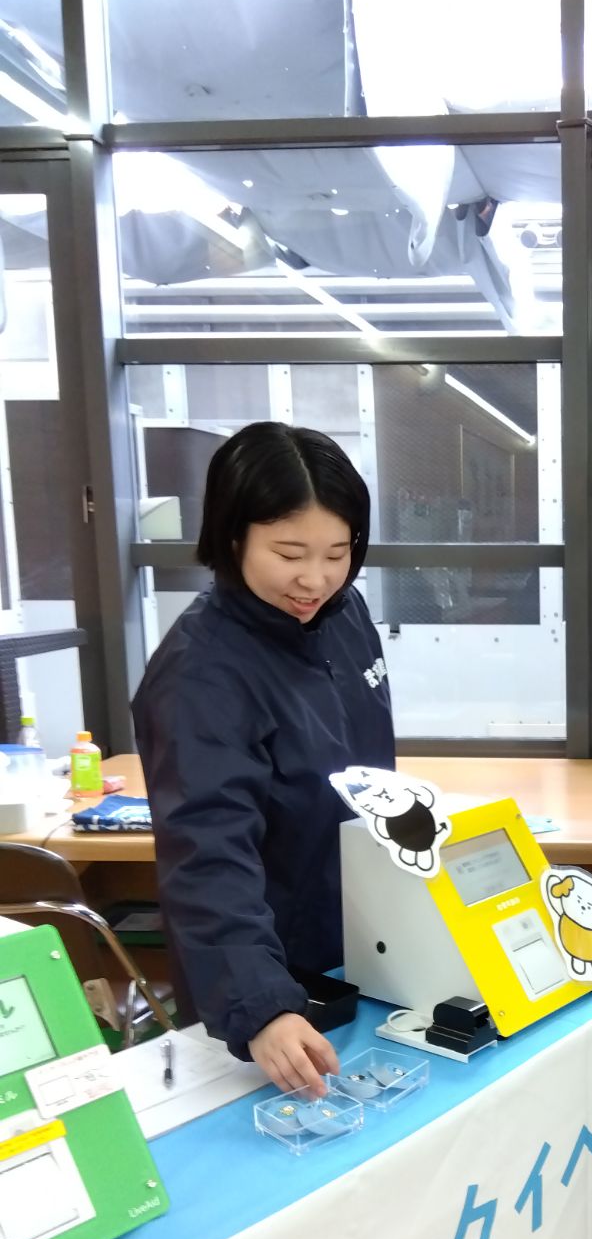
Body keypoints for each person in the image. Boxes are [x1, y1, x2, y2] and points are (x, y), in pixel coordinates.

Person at [133, 422, 395, 1095]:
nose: (315, 578)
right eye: (289, 552)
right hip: (259, 982)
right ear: (231, 535)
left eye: (338, 552)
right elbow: (206, 854)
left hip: (355, 944)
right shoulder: (201, 675)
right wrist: (262, 1005)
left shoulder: (340, 614)